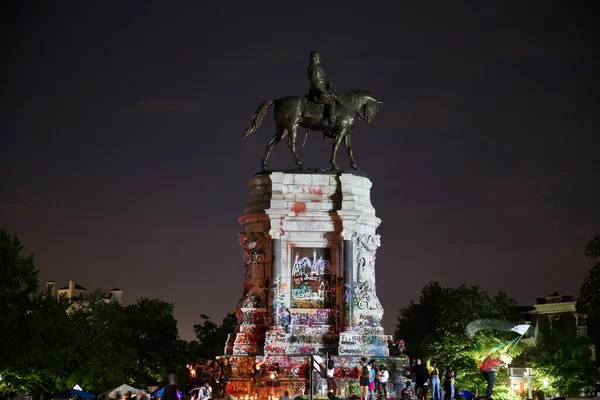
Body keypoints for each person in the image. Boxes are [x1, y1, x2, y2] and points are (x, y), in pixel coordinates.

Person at [307, 51, 338, 130]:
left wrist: (327, 86)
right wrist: (324, 92)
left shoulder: (316, 68)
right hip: (318, 93)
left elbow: (320, 83)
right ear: (315, 59)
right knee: (332, 102)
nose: (320, 59)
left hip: (319, 91)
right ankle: (332, 122)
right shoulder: (315, 68)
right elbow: (315, 83)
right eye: (319, 58)